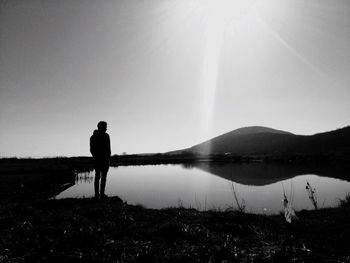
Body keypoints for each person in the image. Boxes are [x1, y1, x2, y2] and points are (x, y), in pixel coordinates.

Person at [90, 121, 111, 199]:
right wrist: (97, 157)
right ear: (101, 127)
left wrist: (108, 158)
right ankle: (97, 194)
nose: (106, 128)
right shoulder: (94, 137)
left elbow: (109, 149)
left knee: (103, 177)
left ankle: (101, 194)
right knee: (98, 176)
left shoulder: (106, 136)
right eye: (105, 126)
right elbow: (92, 150)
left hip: (104, 160)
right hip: (98, 160)